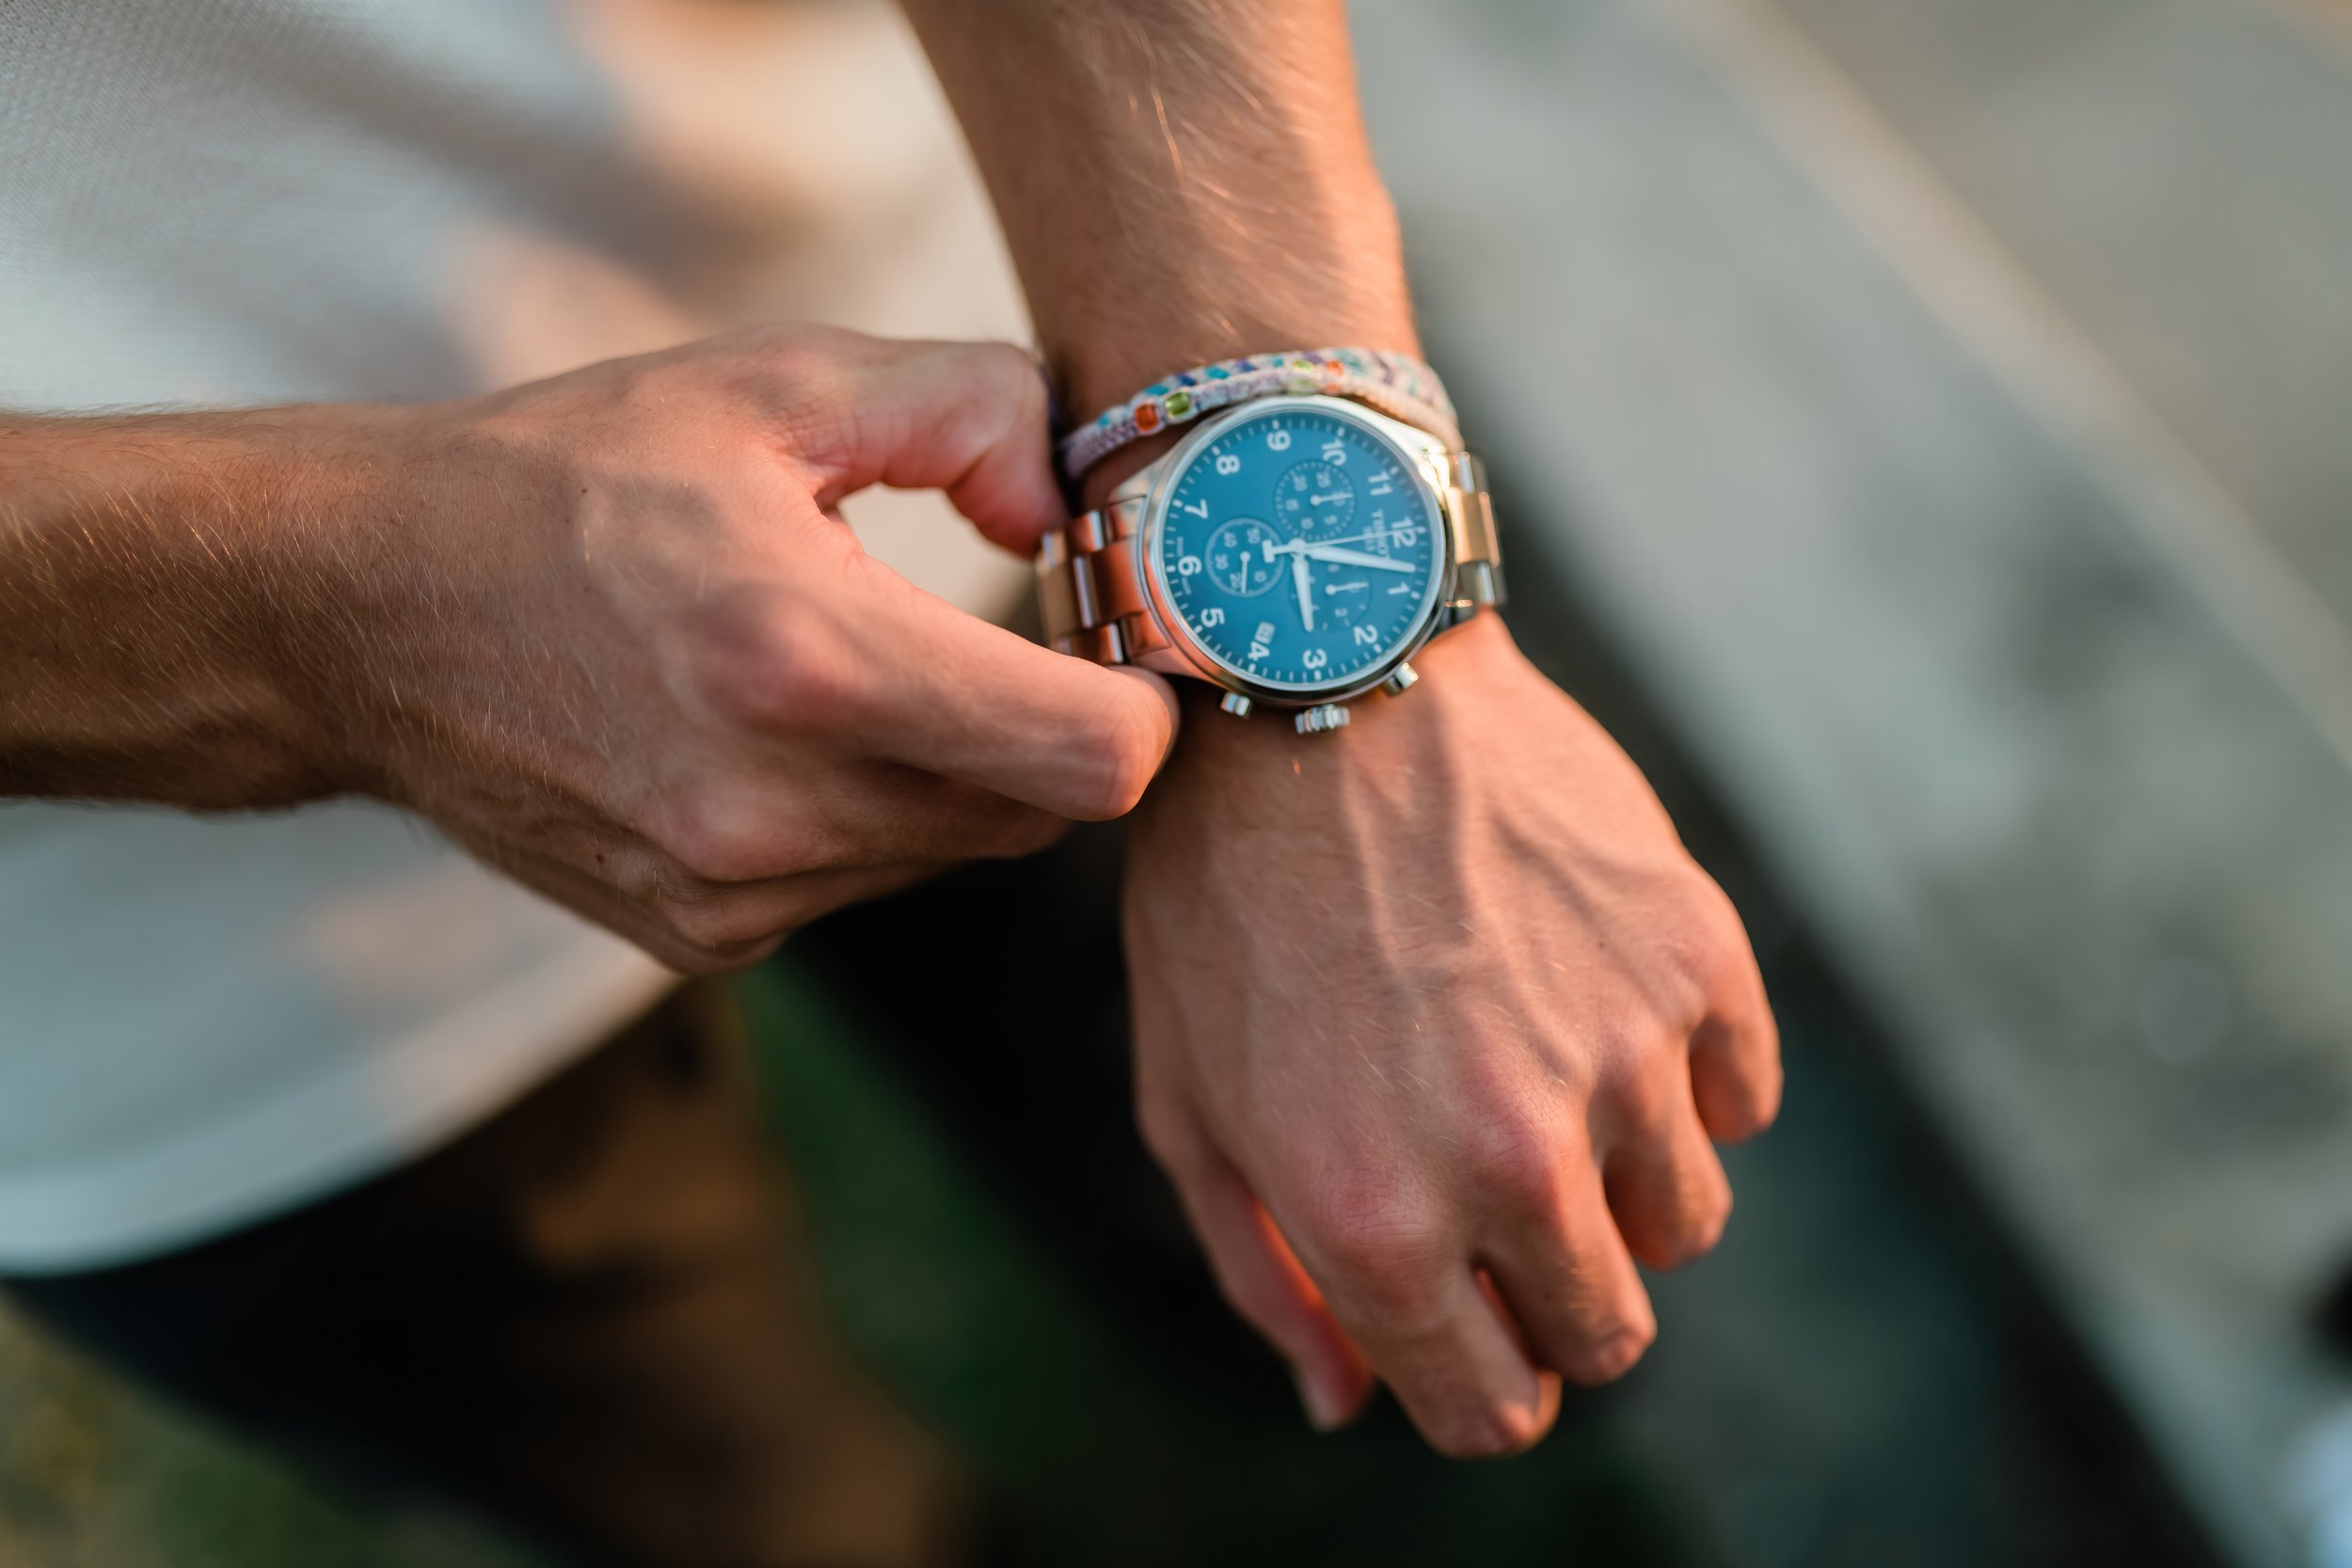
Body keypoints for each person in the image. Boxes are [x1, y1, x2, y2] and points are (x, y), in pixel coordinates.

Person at [0, 1, 1782, 1562]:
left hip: (982, 449)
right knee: (748, 1509)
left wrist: (1337, 683)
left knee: (1310, 1185)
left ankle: (1348, 1371)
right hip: (156, 1043)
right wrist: (324, 615)